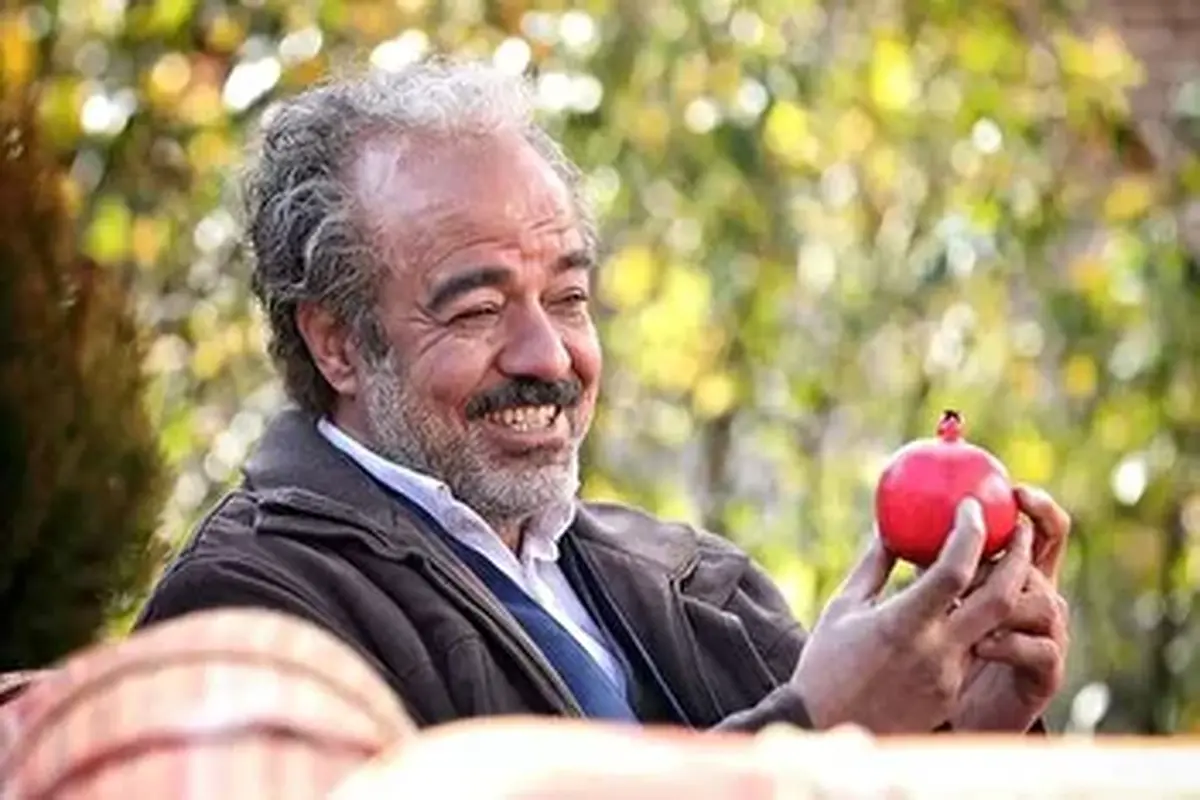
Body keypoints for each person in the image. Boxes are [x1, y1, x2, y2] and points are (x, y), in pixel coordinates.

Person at [135, 59, 1071, 734]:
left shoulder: (698, 582)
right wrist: (814, 734)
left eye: (569, 298)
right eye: (479, 309)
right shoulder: (246, 615)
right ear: (337, 343)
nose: (547, 354)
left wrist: (961, 740)